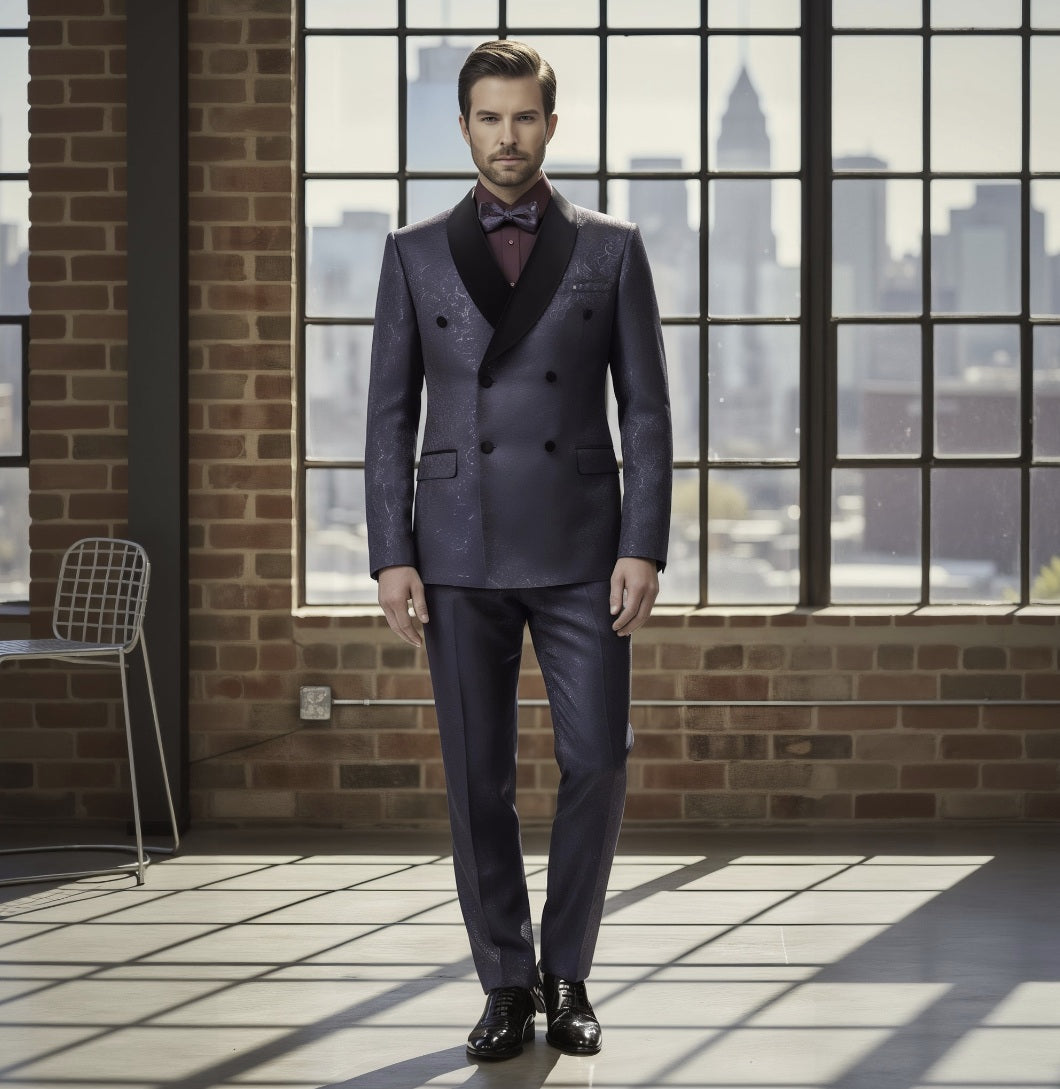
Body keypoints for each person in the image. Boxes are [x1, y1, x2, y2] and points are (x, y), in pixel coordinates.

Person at [364, 39, 672, 1062]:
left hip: (587, 549)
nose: (508, 137)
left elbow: (650, 411)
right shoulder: (411, 252)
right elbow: (387, 417)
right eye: (489, 119)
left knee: (596, 759)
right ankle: (505, 981)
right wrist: (389, 554)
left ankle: (569, 972)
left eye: (525, 117)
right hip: (455, 550)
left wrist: (645, 544)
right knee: (476, 780)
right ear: (464, 128)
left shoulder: (612, 247)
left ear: (552, 122)